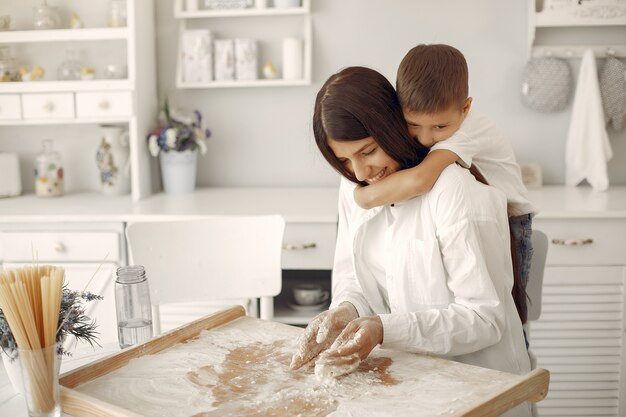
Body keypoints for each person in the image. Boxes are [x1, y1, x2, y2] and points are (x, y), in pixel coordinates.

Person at [290, 66, 531, 417]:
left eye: (368, 151)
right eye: (343, 160)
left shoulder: (453, 189)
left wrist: (383, 328)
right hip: (405, 389)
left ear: (392, 127)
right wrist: (346, 310)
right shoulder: (354, 187)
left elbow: (484, 319)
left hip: (478, 391)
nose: (359, 172)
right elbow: (353, 278)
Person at [353, 44, 536, 324]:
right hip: (476, 217)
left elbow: (420, 179)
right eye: (413, 124)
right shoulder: (444, 125)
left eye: (439, 127)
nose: (426, 138)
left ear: (465, 107)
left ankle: (519, 360)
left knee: (510, 310)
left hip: (512, 222)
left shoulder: (469, 128)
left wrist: (363, 198)